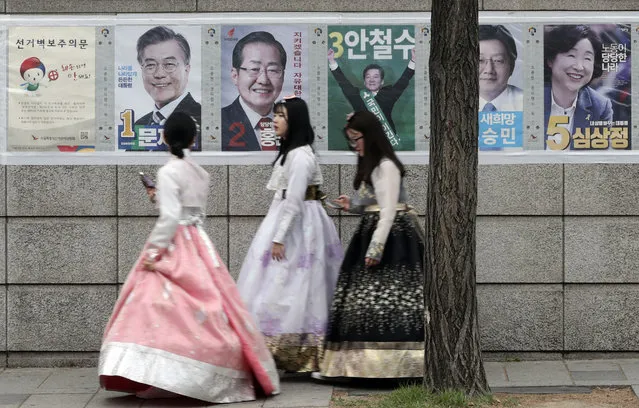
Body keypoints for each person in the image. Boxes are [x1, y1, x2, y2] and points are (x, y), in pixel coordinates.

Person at [99, 112, 279, 403]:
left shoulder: (168, 172)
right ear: (194, 140)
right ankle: (206, 369)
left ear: (164, 138)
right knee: (209, 306)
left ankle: (156, 372)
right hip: (198, 243)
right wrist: (158, 198)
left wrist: (154, 252)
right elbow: (192, 211)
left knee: (151, 305)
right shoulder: (200, 173)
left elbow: (170, 217)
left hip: (173, 243)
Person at [314, 111, 425, 379]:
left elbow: (387, 212)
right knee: (371, 301)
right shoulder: (376, 165)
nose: (355, 146)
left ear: (370, 136)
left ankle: (392, 367)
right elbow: (375, 207)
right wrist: (351, 205)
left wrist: (375, 249)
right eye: (352, 141)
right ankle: (366, 366)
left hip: (391, 240)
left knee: (385, 300)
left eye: (357, 139)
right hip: (378, 233)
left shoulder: (386, 165)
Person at [236, 97, 343, 373]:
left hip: (299, 229)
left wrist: (279, 237)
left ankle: (295, 349)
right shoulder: (293, 153)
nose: (275, 121)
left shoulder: (300, 156)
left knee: (295, 284)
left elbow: (294, 200)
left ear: (293, 121)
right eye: (275, 115)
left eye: (281, 116)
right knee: (287, 285)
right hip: (291, 222)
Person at [544, 25, 613, 147]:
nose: (579, 67)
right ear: (550, 60)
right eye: (571, 55)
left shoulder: (600, 107)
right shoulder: (526, 98)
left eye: (587, 58)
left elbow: (600, 158)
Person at [327, 47, 415, 136]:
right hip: (363, 141)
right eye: (368, 77)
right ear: (364, 82)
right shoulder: (357, 96)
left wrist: (413, 60)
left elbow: (403, 81)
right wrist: (331, 61)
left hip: (386, 140)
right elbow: (343, 83)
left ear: (382, 81)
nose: (371, 80)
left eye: (376, 77)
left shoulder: (389, 95)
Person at [222, 31, 286, 151]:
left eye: (273, 70)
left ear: (283, 76)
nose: (263, 80)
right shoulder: (219, 123)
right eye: (254, 69)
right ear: (235, 75)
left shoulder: (295, 124)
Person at [134, 26, 201, 132]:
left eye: (169, 64)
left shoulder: (204, 120)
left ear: (187, 70)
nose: (159, 74)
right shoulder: (138, 125)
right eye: (150, 65)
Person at [479, 25, 523, 112]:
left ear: (512, 66)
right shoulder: (451, 103)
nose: (489, 70)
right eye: (480, 60)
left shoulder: (529, 103)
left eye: (498, 60)